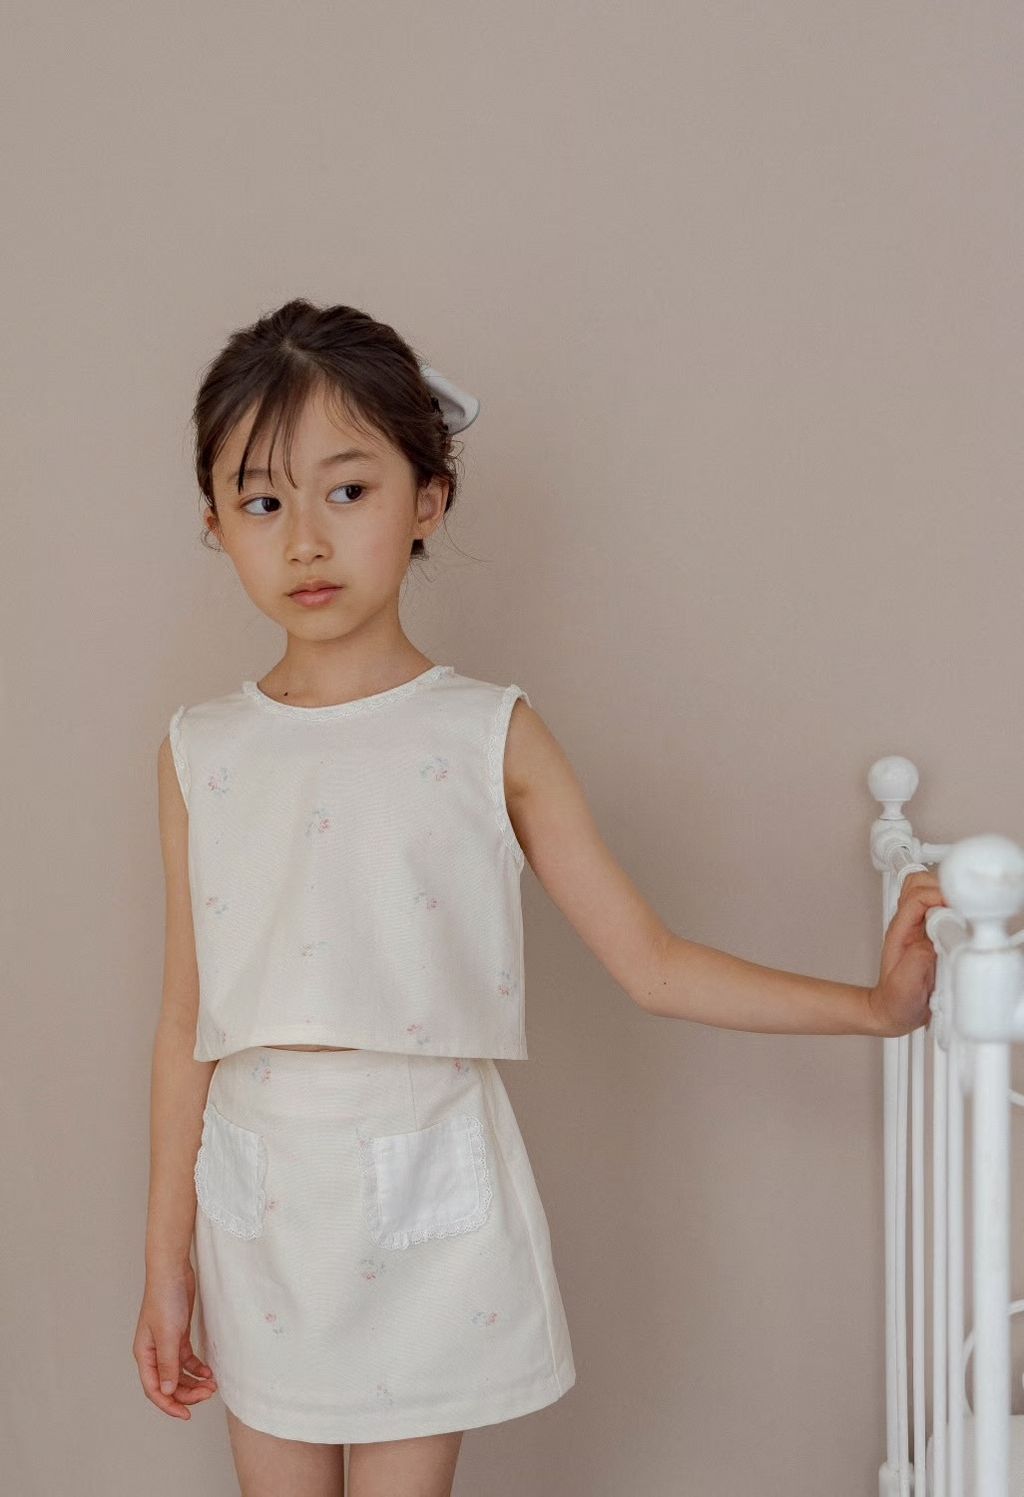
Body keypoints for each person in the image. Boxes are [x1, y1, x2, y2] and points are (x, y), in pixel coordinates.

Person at [132, 297, 944, 1497]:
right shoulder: (199, 749)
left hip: (423, 1184)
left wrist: (873, 1009)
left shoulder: (486, 732)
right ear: (215, 523)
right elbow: (183, 1023)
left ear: (428, 499)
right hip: (261, 1207)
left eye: (347, 490)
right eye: (261, 503)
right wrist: (166, 1261)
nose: (304, 540)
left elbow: (651, 963)